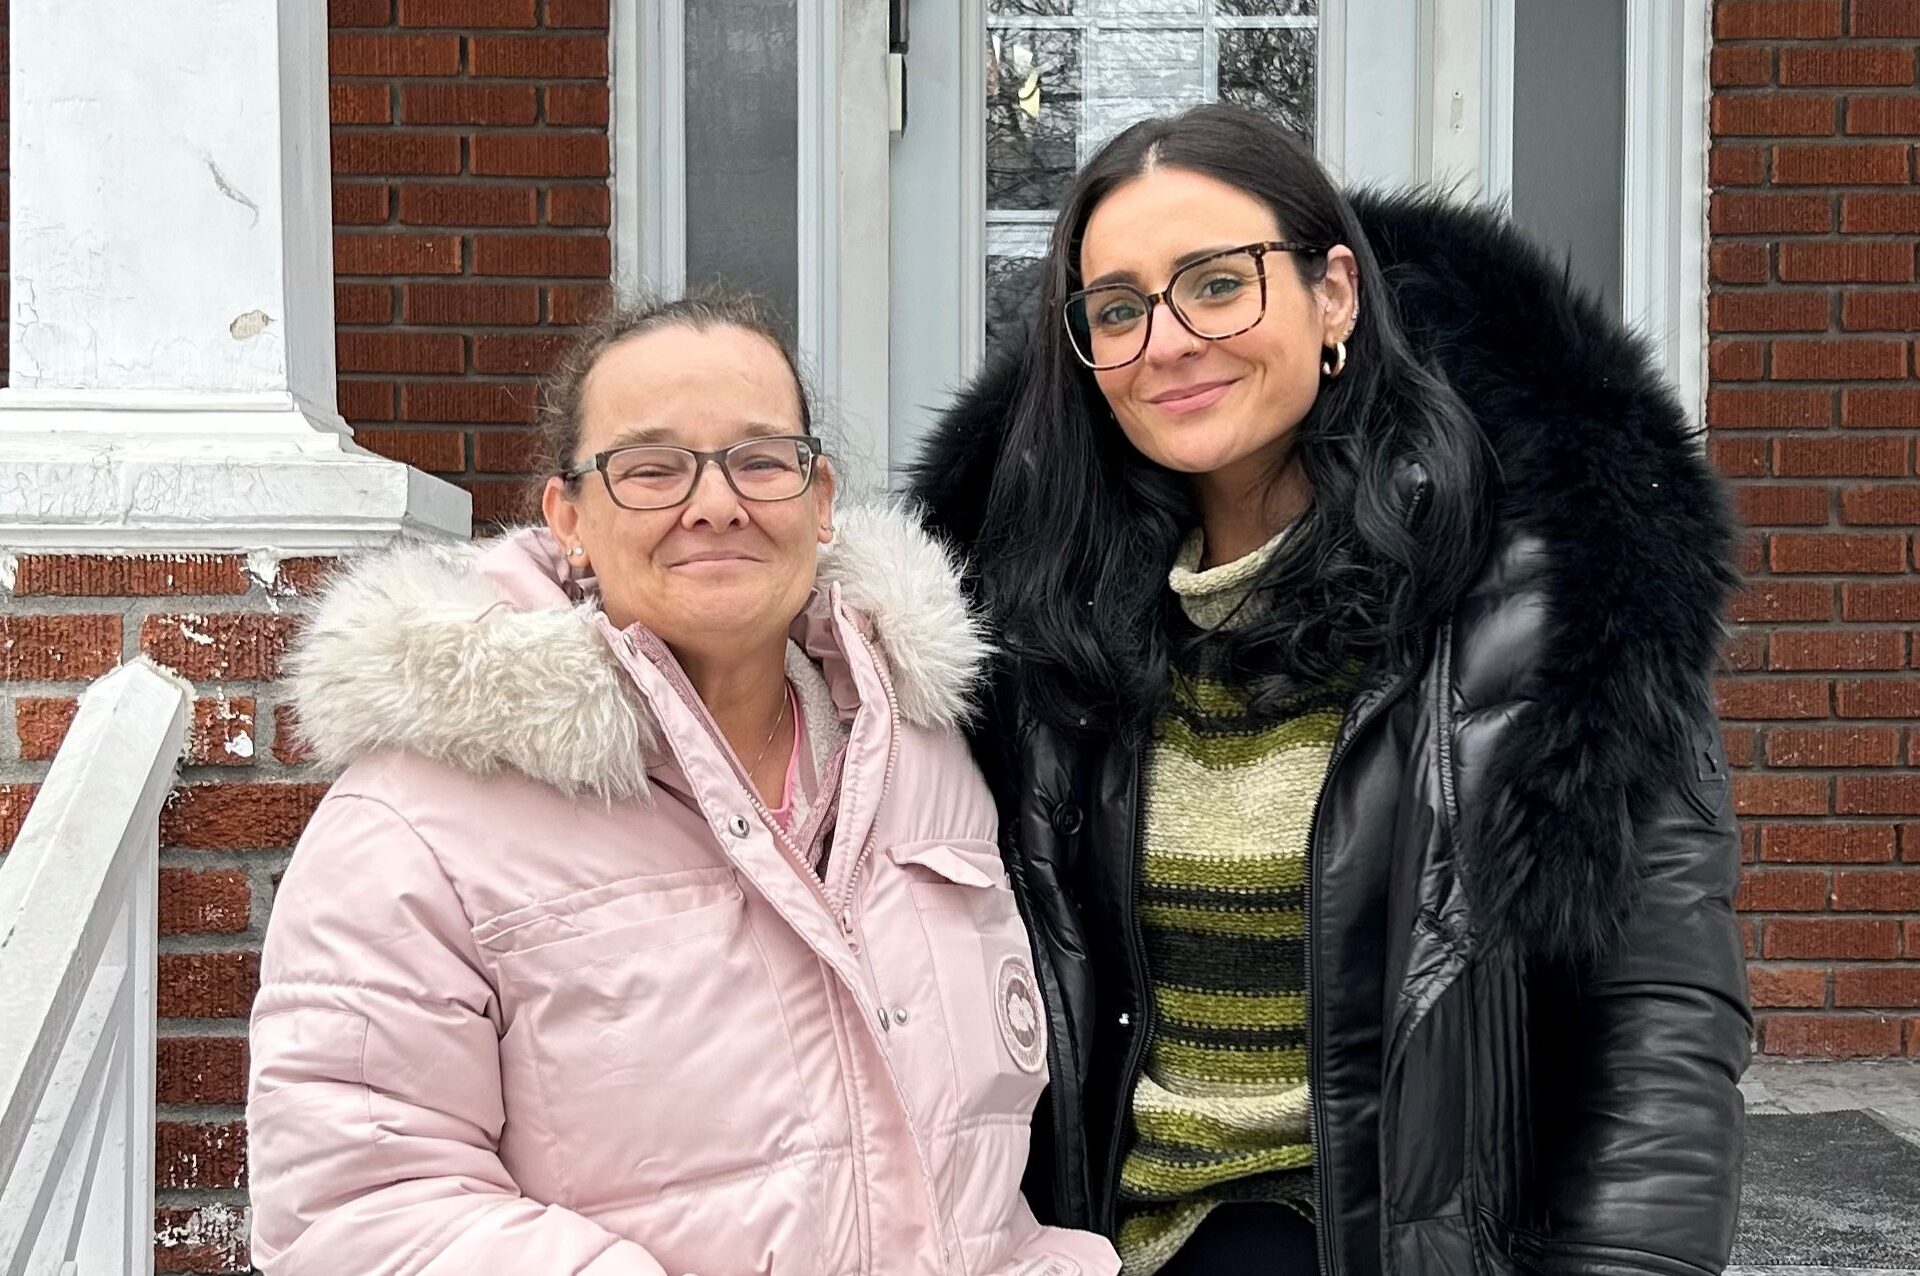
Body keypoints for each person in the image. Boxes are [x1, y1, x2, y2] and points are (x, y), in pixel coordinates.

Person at [910, 104, 1750, 1276]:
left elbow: (1661, 1018)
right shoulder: (1028, 622)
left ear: (1335, 295)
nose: (1169, 339)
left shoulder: (1546, 600)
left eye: (1217, 283)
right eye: (1118, 308)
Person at [246, 292, 1120, 1276]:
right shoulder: (417, 821)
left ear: (820, 496)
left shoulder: (926, 753)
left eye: (759, 460)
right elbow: (358, 1210)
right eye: (651, 468)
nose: (715, 503)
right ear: (568, 515)